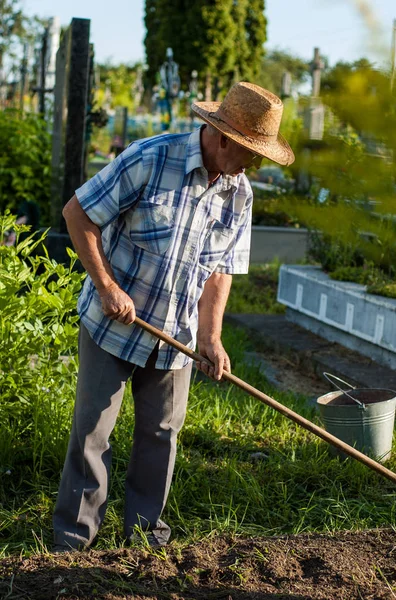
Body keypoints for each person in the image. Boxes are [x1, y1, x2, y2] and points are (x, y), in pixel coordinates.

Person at [53, 81, 295, 552]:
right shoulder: (150, 158)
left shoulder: (238, 194)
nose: (253, 164)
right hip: (112, 327)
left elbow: (220, 270)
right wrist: (107, 287)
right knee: (93, 435)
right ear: (222, 137)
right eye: (249, 152)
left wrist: (211, 337)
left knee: (161, 437)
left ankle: (144, 544)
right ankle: (73, 545)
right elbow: (77, 213)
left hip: (175, 339)